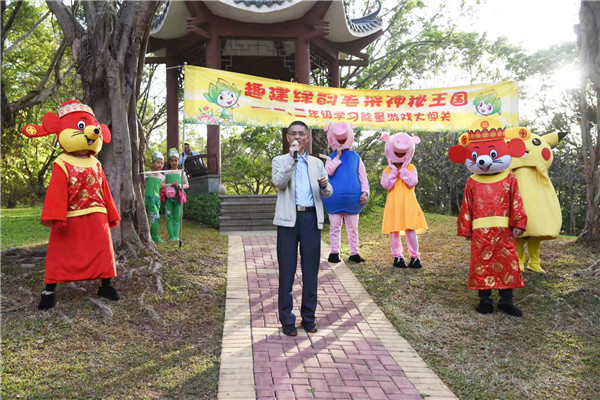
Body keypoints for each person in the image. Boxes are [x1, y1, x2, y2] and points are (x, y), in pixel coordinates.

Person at [22, 100, 120, 310]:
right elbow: (56, 193)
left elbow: (104, 190)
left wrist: (111, 213)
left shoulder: (96, 163)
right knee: (61, 253)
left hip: (97, 216)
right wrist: (57, 217)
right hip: (70, 217)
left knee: (102, 252)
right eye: (81, 126)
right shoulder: (62, 162)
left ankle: (106, 285)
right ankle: (49, 290)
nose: (92, 132)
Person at [448, 117, 528, 316]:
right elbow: (466, 206)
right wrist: (466, 228)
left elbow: (516, 201)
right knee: (481, 264)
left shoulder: (509, 178)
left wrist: (518, 223)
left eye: (492, 154)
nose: (483, 160)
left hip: (504, 230)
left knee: (507, 263)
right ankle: (485, 300)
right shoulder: (472, 181)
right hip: (480, 232)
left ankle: (506, 301)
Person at [272, 121, 333, 337]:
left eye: (301, 133)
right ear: (288, 138)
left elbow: (328, 191)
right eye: (293, 133)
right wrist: (292, 159)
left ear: (308, 137)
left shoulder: (317, 163)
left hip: (310, 219)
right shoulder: (280, 160)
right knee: (287, 271)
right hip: (288, 221)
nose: (297, 137)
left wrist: (325, 185)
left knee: (310, 271)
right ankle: (287, 319)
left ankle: (309, 318)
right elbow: (279, 183)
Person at [322, 122, 369, 263]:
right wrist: (337, 157)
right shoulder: (330, 157)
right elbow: (328, 172)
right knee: (334, 227)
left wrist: (365, 192)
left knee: (353, 229)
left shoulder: (355, 157)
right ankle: (334, 252)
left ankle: (354, 253)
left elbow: (363, 176)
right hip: (334, 200)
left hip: (353, 200)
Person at [380, 132, 427, 269]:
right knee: (393, 231)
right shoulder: (387, 170)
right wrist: (394, 172)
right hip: (393, 204)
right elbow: (386, 185)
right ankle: (397, 257)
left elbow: (412, 182)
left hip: (409, 204)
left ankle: (415, 257)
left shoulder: (411, 168)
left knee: (410, 230)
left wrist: (404, 170)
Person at [161, 148, 189, 241]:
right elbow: (162, 185)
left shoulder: (182, 172)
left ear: (178, 161)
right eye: (172, 161)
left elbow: (187, 185)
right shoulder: (166, 173)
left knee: (177, 216)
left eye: (176, 160)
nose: (174, 162)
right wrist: (171, 184)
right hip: (169, 196)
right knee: (169, 216)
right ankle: (171, 236)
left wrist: (180, 185)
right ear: (169, 162)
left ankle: (176, 235)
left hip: (178, 196)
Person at [145, 151, 164, 243]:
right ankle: (154, 236)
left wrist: (171, 184)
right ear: (153, 163)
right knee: (155, 216)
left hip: (157, 198)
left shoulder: (161, 176)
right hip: (149, 198)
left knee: (156, 217)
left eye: (162, 163)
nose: (160, 164)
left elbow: (160, 186)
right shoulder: (148, 174)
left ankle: (153, 234)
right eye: (158, 162)